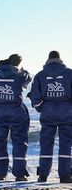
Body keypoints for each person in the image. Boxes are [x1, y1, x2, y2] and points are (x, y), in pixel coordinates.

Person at [0, 54, 32, 181]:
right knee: (20, 142)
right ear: (17, 64)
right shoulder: (19, 75)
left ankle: (1, 173)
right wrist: (24, 71)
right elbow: (28, 79)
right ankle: (20, 174)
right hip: (17, 112)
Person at [30, 51, 72, 183]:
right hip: (66, 113)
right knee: (66, 144)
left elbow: (35, 97)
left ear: (48, 59)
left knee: (46, 144)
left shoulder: (40, 75)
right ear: (60, 59)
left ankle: (43, 175)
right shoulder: (70, 73)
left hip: (47, 113)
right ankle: (65, 176)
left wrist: (41, 107)